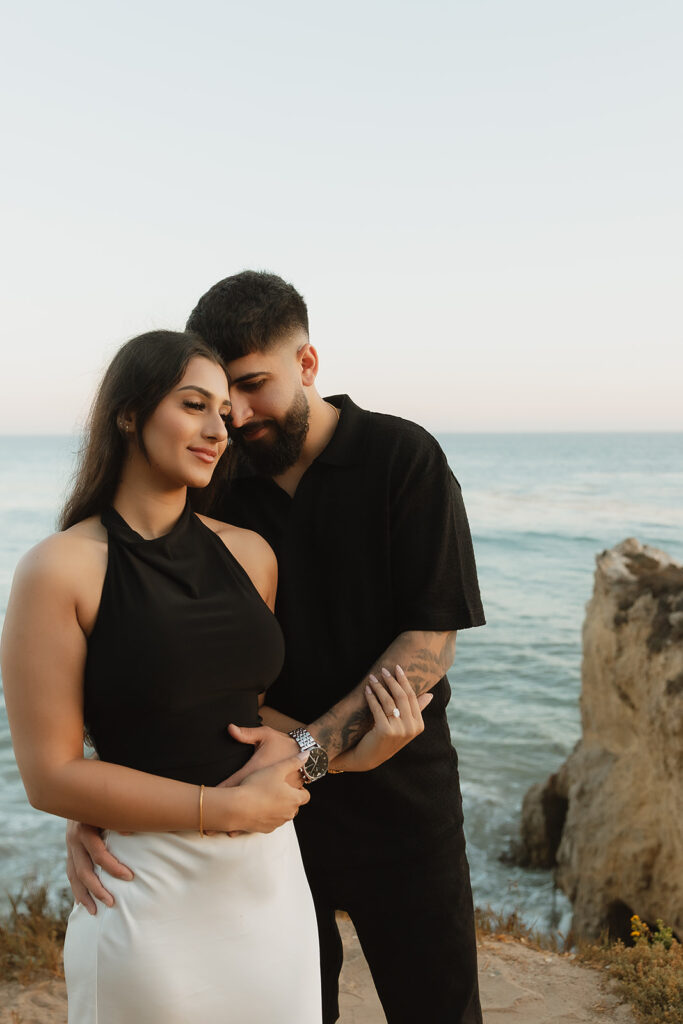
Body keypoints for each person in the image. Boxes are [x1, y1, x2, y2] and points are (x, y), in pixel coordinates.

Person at [67, 274, 487, 1024]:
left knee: (438, 1008)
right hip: (260, 819)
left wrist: (305, 752)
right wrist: (93, 800)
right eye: (221, 396)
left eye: (254, 386)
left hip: (400, 800)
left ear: (308, 363)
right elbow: (149, 648)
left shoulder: (402, 457)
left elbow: (427, 642)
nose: (238, 415)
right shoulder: (216, 485)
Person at [1, 330, 324, 1023]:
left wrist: (304, 751)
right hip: (144, 889)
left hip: (270, 887)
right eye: (194, 405)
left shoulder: (252, 555)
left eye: (225, 414)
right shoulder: (59, 569)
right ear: (128, 414)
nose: (219, 429)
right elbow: (50, 774)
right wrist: (221, 810)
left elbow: (238, 713)